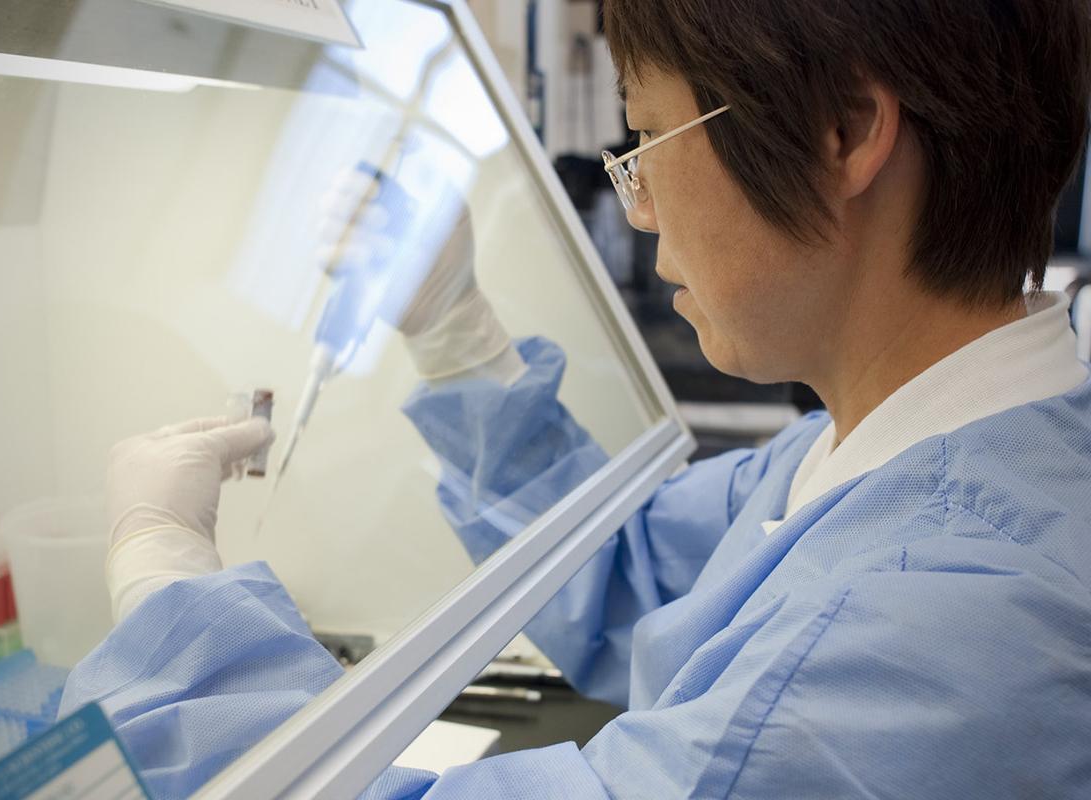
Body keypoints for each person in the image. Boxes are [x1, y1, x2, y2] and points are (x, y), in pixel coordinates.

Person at [59, 1, 1091, 797]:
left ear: (844, 128)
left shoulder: (920, 638)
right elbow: (633, 571)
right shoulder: (923, 444)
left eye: (643, 142)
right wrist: (459, 333)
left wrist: (166, 586)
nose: (637, 208)